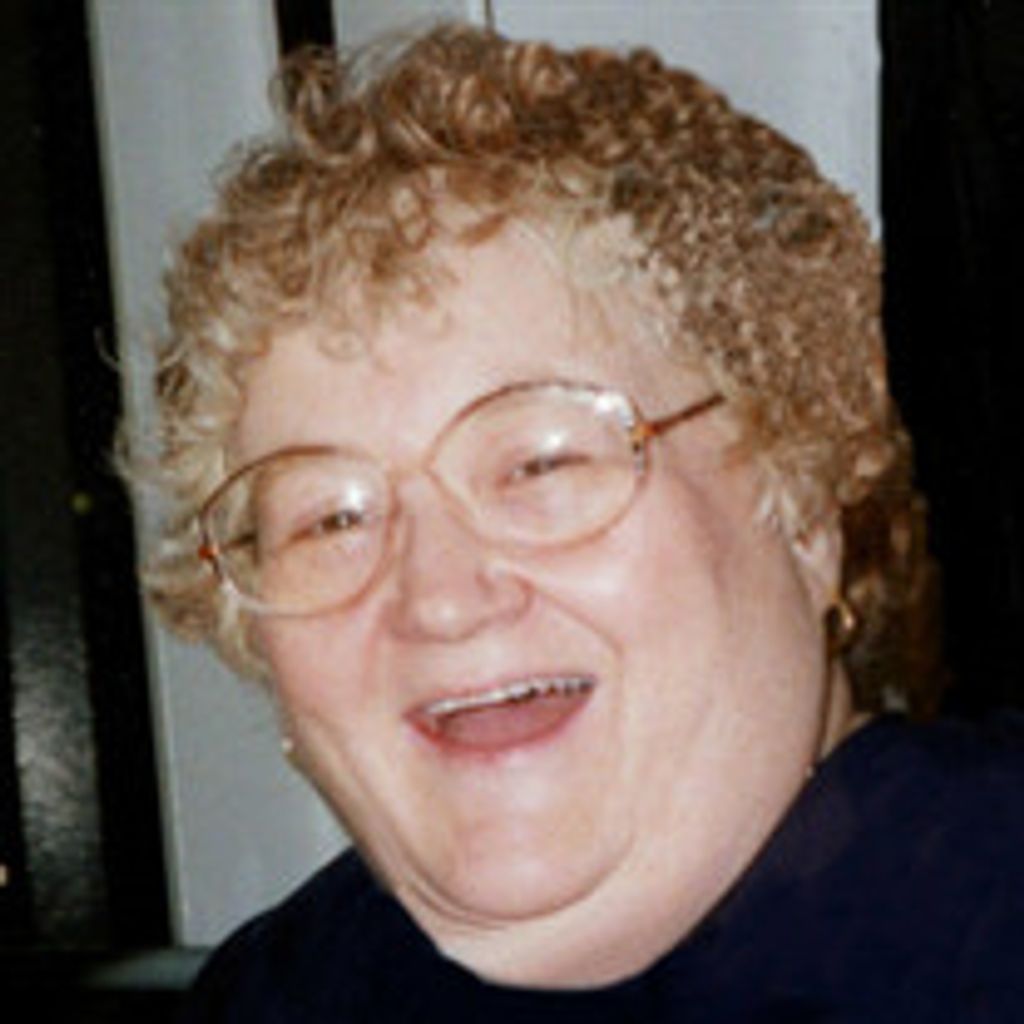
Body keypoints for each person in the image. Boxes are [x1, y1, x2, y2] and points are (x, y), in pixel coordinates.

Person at [134, 21, 1024, 1022]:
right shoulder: (282, 996)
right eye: (329, 521)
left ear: (803, 504)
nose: (438, 599)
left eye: (540, 462)